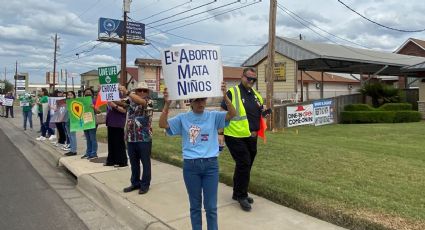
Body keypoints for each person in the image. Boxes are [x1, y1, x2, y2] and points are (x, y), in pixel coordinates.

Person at [159, 82, 236, 230]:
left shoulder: (213, 116)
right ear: (191, 103)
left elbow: (233, 114)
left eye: (203, 99)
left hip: (210, 166)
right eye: (197, 100)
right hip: (191, 166)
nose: (201, 103)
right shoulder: (183, 118)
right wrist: (167, 105)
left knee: (211, 207)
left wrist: (225, 97)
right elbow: (163, 125)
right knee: (195, 206)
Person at [219, 67, 270, 212]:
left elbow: (260, 111)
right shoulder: (233, 92)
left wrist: (265, 114)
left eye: (254, 79)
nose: (251, 82)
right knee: (244, 162)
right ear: (242, 77)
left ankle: (237, 192)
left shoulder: (255, 95)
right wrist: (220, 133)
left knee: (245, 166)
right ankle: (242, 196)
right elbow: (222, 112)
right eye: (249, 78)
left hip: (251, 136)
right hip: (234, 135)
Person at [119, 82, 153, 195]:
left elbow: (141, 102)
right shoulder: (131, 101)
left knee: (145, 163)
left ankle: (145, 185)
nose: (142, 92)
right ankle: (135, 183)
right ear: (136, 91)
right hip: (131, 138)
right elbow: (120, 103)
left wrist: (127, 92)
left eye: (144, 90)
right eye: (139, 90)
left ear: (148, 92)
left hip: (144, 138)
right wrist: (107, 95)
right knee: (134, 163)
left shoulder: (149, 101)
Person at [104, 96, 128, 167]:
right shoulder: (108, 96)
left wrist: (114, 105)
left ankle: (122, 161)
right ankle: (111, 160)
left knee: (119, 143)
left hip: (118, 123)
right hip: (111, 122)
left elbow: (124, 110)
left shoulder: (123, 98)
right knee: (111, 143)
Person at [81, 88, 100, 160]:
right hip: (85, 121)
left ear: (92, 94)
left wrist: (93, 107)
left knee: (92, 138)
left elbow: (99, 111)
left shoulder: (95, 101)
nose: (88, 93)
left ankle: (94, 153)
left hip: (92, 121)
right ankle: (88, 152)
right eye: (86, 92)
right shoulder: (82, 101)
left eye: (89, 92)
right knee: (88, 138)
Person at [64, 91, 78, 156]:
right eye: (68, 95)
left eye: (71, 95)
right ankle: (71, 149)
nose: (69, 96)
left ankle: (74, 151)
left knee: (73, 136)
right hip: (66, 121)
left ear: (74, 96)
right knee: (69, 136)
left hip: (73, 122)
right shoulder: (65, 103)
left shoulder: (75, 102)